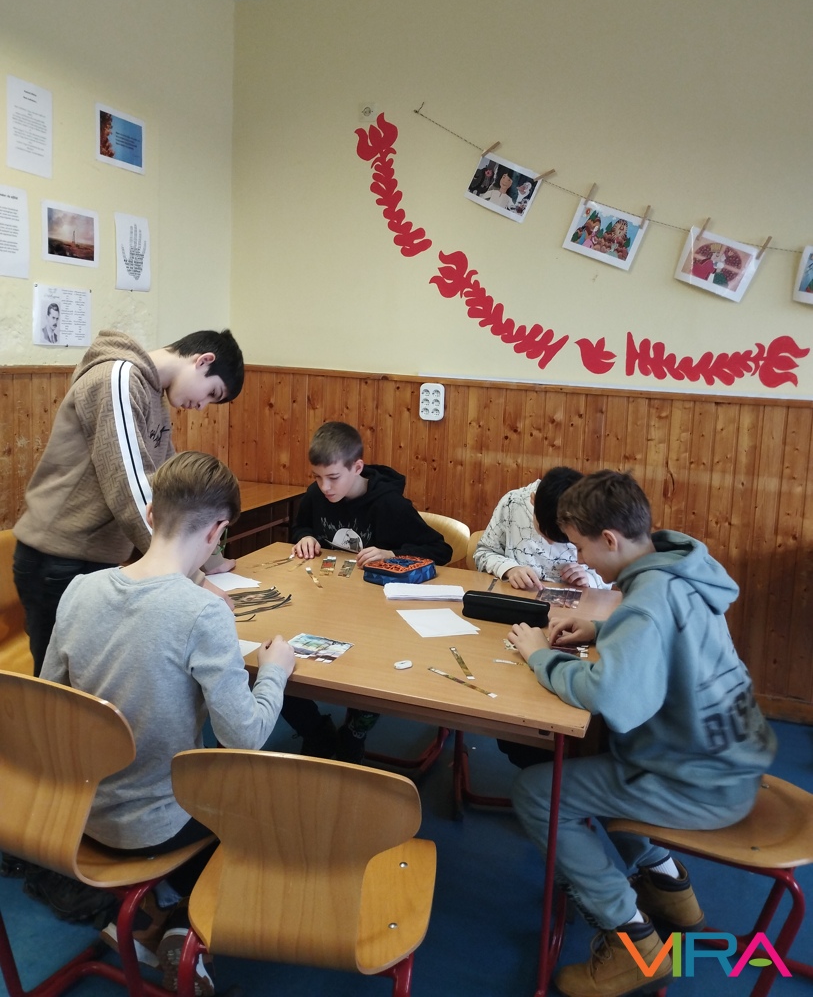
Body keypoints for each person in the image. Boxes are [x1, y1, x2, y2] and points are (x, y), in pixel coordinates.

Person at [508, 470, 776, 997]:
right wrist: (604, 628)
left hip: (701, 783)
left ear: (609, 540)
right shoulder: (679, 570)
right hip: (731, 760)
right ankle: (668, 888)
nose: (579, 557)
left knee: (540, 792)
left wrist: (540, 656)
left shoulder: (646, 604)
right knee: (600, 764)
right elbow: (671, 639)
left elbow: (608, 696)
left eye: (582, 547)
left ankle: (632, 942)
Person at [41, 451, 295, 995]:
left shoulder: (79, 590)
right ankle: (185, 923)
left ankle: (147, 917)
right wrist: (275, 670)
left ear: (151, 514)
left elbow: (49, 706)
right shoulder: (203, 612)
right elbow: (244, 737)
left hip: (76, 815)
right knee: (265, 804)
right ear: (219, 532)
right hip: (152, 827)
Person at [13, 327, 244, 675]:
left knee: (91, 683)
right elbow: (131, 489)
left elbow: (172, 488)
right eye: (212, 393)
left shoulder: (153, 395)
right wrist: (193, 577)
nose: (201, 406)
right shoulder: (118, 377)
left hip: (93, 560)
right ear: (203, 361)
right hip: (58, 559)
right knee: (58, 692)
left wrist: (207, 556)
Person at [287, 420, 452, 761]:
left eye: (333, 477)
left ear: (357, 467)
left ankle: (355, 730)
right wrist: (304, 536)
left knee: (373, 670)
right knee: (277, 664)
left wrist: (393, 553)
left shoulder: (389, 504)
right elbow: (300, 526)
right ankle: (316, 730)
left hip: (380, 617)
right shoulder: (315, 495)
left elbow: (440, 549)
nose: (324, 487)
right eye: (317, 477)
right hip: (327, 604)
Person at [474, 466, 611, 590]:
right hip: (517, 597)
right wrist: (510, 569)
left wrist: (589, 579)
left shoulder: (592, 514)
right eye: (543, 533)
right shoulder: (512, 503)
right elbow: (483, 553)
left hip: (577, 604)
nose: (550, 542)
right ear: (533, 500)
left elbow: (611, 569)